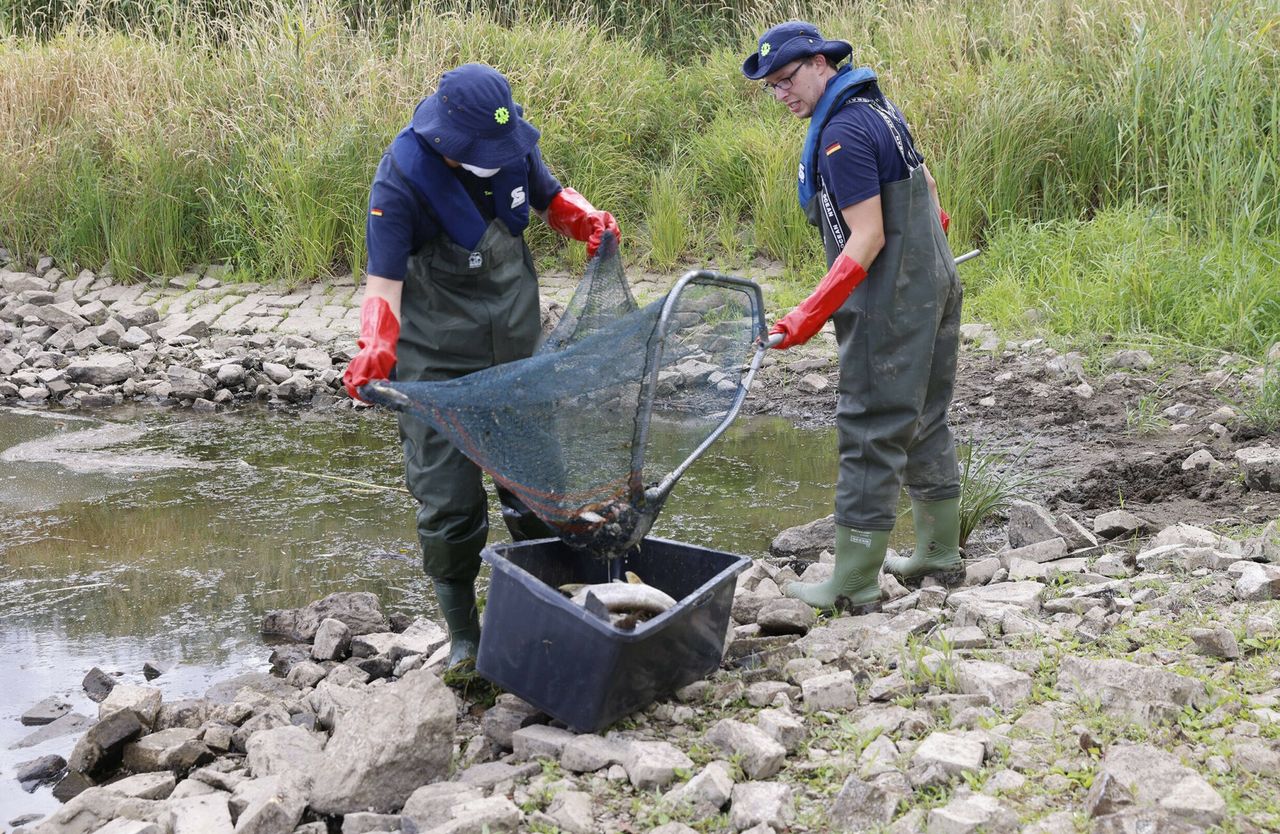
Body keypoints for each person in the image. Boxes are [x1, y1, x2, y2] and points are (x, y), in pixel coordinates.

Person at [341, 63, 620, 669]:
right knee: (449, 504)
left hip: (516, 348)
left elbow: (549, 198)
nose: (497, 157)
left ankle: (552, 609)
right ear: (447, 141)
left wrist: (586, 219)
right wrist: (375, 347)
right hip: (436, 363)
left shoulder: (509, 147)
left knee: (538, 486)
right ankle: (465, 635)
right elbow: (383, 286)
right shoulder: (401, 179)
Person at [742, 22, 963, 612]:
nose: (781, 93)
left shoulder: (840, 135)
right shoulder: (877, 107)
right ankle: (939, 554)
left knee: (869, 425)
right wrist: (929, 255)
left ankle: (855, 581)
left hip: (891, 299)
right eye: (771, 87)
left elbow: (864, 238)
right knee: (924, 417)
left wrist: (809, 314)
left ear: (820, 64)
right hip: (935, 282)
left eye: (787, 79)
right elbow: (930, 189)